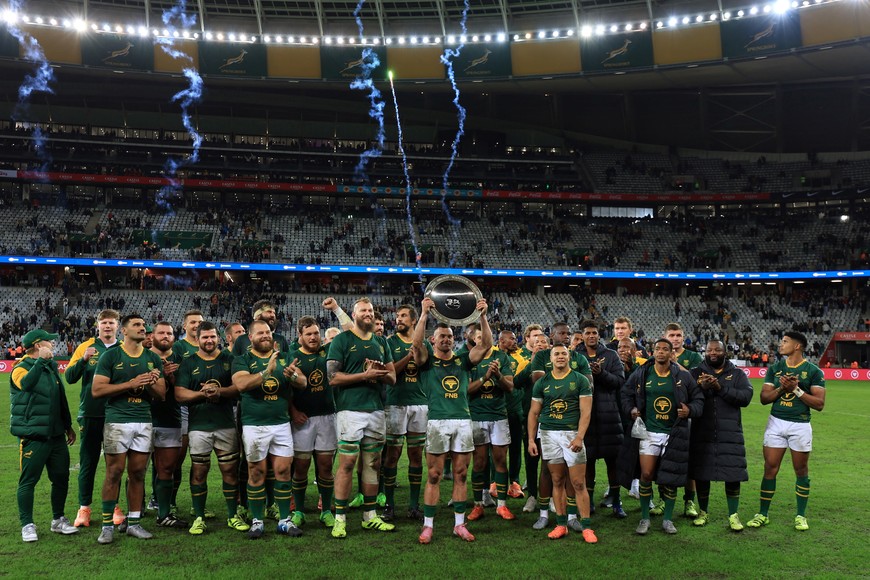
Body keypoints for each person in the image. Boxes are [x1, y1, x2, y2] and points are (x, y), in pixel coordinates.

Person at [412, 297, 491, 544]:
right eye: (441, 336)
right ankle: (428, 526)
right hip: (438, 422)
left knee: (460, 473)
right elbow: (416, 345)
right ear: (433, 340)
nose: (446, 339)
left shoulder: (462, 360)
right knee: (434, 474)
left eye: (449, 336)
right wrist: (424, 314)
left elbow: (486, 345)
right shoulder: (426, 362)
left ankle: (459, 524)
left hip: (462, 421)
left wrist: (483, 316)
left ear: (453, 340)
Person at [92, 314, 166, 544]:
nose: (142, 328)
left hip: (143, 420)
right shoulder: (111, 356)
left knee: (138, 473)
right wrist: (131, 384)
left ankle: (134, 523)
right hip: (117, 421)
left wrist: (151, 382)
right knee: (114, 472)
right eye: (136, 325)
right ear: (124, 330)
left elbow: (162, 394)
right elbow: (97, 390)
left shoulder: (153, 358)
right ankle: (107, 526)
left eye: (144, 325)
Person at [326, 297, 396, 539]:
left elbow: (393, 378)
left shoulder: (381, 342)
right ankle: (340, 519)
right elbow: (333, 378)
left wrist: (379, 372)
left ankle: (369, 516)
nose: (368, 313)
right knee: (346, 463)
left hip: (376, 410)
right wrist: (364, 375)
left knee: (372, 464)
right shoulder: (342, 340)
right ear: (353, 315)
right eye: (363, 310)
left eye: (371, 310)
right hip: (350, 410)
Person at [618, 338, 702, 536]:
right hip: (649, 433)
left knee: (670, 478)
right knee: (646, 475)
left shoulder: (683, 376)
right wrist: (631, 409)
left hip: (675, 433)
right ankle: (645, 517)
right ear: (652, 352)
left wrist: (689, 410)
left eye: (666, 349)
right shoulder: (642, 373)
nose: (661, 352)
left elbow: (699, 398)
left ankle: (667, 520)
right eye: (658, 349)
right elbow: (625, 394)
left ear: (672, 354)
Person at [231, 319, 307, 539]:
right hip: (255, 425)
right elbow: (242, 385)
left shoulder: (283, 357)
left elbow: (302, 383)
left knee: (283, 471)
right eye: (260, 333)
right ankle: (257, 521)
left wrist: (292, 375)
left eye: (268, 332)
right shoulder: (242, 360)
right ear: (251, 338)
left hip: (281, 423)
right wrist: (267, 372)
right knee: (256, 472)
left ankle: (284, 520)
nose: (265, 336)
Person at [175, 321, 249, 535]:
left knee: (229, 470)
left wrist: (220, 393)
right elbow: (179, 394)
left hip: (225, 424)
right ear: (197, 339)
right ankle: (198, 517)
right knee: (199, 470)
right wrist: (202, 394)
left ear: (218, 338)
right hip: (199, 426)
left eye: (212, 337)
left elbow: (239, 388)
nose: (209, 341)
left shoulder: (230, 360)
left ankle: (232, 515)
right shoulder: (188, 363)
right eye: (205, 337)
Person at [747, 331, 826, 532]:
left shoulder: (814, 371)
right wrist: (782, 389)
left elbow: (819, 404)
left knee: (801, 470)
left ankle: (800, 515)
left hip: (800, 425)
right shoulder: (775, 369)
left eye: (785, 341)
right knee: (770, 468)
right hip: (776, 423)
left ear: (797, 346)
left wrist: (797, 390)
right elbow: (764, 399)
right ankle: (762, 514)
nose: (781, 345)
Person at [11, 329, 79, 542]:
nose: (53, 344)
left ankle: (58, 520)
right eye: (49, 342)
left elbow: (60, 398)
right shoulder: (19, 368)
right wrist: (40, 362)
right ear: (38, 345)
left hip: (56, 435)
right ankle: (27, 525)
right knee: (28, 481)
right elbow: (26, 385)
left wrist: (67, 425)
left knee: (61, 478)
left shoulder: (51, 366)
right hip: (34, 435)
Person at [527, 344, 597, 543]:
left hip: (571, 434)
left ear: (569, 357)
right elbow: (533, 413)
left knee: (577, 482)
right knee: (556, 480)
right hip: (549, 434)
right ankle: (561, 524)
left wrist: (579, 437)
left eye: (563, 353)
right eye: (556, 354)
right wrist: (532, 439)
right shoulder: (542, 382)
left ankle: (586, 527)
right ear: (550, 359)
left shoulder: (580, 380)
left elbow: (586, 412)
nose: (560, 357)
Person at [689, 340, 753, 532]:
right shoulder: (695, 373)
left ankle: (733, 515)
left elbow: (745, 398)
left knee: (732, 473)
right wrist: (701, 387)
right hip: (702, 430)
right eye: (709, 350)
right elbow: (685, 396)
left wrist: (720, 388)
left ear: (725, 352)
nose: (713, 353)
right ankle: (703, 512)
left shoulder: (737, 374)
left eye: (717, 349)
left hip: (730, 431)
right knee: (701, 473)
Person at [64, 309, 120, 528]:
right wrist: (83, 360)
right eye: (104, 322)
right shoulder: (85, 347)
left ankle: (114, 506)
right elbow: (69, 377)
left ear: (118, 326)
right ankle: (84, 508)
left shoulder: (123, 349)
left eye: (111, 323)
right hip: (90, 413)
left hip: (117, 414)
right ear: (98, 325)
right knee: (88, 463)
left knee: (114, 465)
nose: (107, 326)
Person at [288, 316, 338, 529]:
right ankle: (299, 511)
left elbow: (350, 331)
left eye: (316, 333)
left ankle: (326, 510)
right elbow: (286, 390)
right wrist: (293, 411)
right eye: (308, 334)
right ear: (300, 337)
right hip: (303, 419)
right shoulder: (293, 356)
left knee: (326, 466)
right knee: (301, 466)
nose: (313, 337)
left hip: (327, 416)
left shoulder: (329, 352)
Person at [383, 304, 427, 522]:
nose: (398, 319)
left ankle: (413, 505)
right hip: (395, 403)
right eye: (397, 316)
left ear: (413, 320)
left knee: (416, 456)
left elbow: (424, 363)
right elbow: (390, 372)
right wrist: (408, 358)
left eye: (402, 316)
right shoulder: (389, 342)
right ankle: (389, 505)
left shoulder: (423, 344)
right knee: (392, 455)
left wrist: (414, 354)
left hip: (419, 404)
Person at [578, 320, 626, 518]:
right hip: (584, 417)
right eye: (588, 332)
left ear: (599, 335)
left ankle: (616, 502)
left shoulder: (611, 355)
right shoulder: (576, 356)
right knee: (586, 463)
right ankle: (588, 504)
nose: (591, 336)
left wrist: (601, 373)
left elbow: (619, 381)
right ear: (582, 335)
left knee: (612, 463)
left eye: (594, 333)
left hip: (609, 416)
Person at [467, 327, 516, 522]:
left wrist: (497, 375)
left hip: (498, 416)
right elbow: (466, 390)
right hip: (477, 415)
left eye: (485, 337)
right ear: (473, 340)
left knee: (500, 461)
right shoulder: (469, 359)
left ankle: (502, 505)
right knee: (479, 462)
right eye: (479, 337)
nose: (482, 340)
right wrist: (485, 377)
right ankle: (478, 504)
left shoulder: (501, 357)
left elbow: (510, 387)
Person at [149, 321, 188, 528]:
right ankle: (132, 515)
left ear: (174, 337)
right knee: (136, 470)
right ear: (152, 336)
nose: (165, 336)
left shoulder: (182, 360)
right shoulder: (142, 356)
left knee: (166, 468)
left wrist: (173, 379)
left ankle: (164, 514)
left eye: (169, 333)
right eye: (161, 332)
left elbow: (186, 393)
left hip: (171, 419)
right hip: (142, 419)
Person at [663, 322, 703, 518]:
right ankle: (663, 500)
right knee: (664, 461)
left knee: (688, 462)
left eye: (678, 335)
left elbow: (695, 380)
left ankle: (689, 502)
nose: (675, 339)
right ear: (666, 337)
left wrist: (674, 363)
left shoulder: (693, 357)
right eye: (671, 335)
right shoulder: (659, 355)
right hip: (663, 416)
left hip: (686, 415)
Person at [496, 330, 527, 500]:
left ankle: (514, 482)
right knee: (495, 449)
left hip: (515, 409)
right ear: (502, 340)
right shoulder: (492, 355)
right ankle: (495, 482)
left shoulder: (520, 358)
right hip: (496, 409)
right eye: (512, 339)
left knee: (515, 447)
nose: (516, 341)